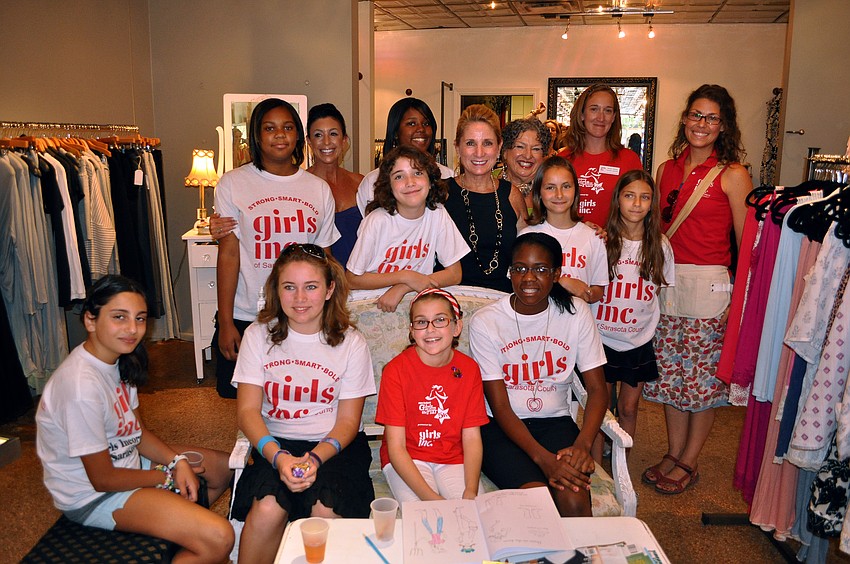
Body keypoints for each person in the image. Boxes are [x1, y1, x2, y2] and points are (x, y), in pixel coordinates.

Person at [36, 275, 234, 562]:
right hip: (92, 495)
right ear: (90, 320)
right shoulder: (80, 387)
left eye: (140, 319)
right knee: (220, 537)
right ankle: (197, 540)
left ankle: (182, 537)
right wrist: (166, 478)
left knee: (224, 467)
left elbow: (137, 432)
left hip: (126, 461)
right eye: (119, 317)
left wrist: (176, 462)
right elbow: (103, 479)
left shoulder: (118, 359)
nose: (132, 329)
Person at [231, 244, 376, 563]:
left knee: (325, 510)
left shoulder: (351, 342)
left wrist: (314, 458)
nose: (299, 298)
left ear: (329, 289)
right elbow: (247, 412)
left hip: (335, 446)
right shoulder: (258, 336)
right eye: (289, 287)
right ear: (276, 290)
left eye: (311, 286)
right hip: (275, 443)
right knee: (267, 507)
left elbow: (349, 422)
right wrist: (279, 457)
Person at [641, 84, 751, 495]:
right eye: (695, 115)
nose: (701, 125)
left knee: (702, 380)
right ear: (684, 118)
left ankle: (690, 459)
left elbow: (746, 244)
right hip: (668, 284)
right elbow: (656, 231)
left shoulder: (734, 174)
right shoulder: (666, 169)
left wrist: (739, 300)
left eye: (711, 118)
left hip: (709, 287)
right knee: (671, 376)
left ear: (723, 126)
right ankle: (673, 451)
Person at [469, 232, 608, 517]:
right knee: (537, 505)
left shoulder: (576, 312)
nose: (528, 278)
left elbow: (597, 389)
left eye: (541, 269)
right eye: (519, 268)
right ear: (510, 273)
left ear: (556, 274)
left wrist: (582, 445)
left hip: (556, 424)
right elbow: (500, 406)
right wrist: (544, 460)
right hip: (501, 429)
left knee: (573, 499)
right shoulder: (486, 322)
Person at [212, 98, 339, 398]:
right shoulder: (232, 184)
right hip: (250, 313)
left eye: (287, 127)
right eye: (270, 128)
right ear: (257, 135)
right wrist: (227, 320)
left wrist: (333, 313)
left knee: (298, 391)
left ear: (298, 135)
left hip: (304, 311)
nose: (279, 135)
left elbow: (325, 258)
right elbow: (229, 255)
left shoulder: (318, 189)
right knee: (248, 396)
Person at [590, 169, 674, 463]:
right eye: (629, 196)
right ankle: (596, 466)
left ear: (652, 203)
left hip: (637, 342)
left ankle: (621, 464)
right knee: (598, 408)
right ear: (617, 200)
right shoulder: (600, 240)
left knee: (628, 408)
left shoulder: (660, 246)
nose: (636, 204)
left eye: (644, 197)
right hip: (600, 339)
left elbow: (661, 295)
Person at [375, 288, 488, 502]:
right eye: (421, 322)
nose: (430, 329)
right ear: (411, 330)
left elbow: (472, 437)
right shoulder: (396, 370)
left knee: (472, 514)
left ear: (457, 327)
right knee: (424, 514)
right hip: (408, 458)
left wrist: (470, 490)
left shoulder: (469, 369)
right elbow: (396, 447)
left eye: (440, 320)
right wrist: (431, 498)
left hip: (453, 458)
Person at [346, 145, 469, 312]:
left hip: (414, 300)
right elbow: (352, 279)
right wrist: (405, 276)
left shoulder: (437, 213)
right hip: (371, 303)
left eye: (417, 173)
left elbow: (455, 274)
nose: (410, 182)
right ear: (389, 186)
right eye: (399, 176)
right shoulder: (377, 221)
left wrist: (404, 286)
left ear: (431, 181)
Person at [442, 104, 526, 293]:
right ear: (457, 147)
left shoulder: (512, 195)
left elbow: (528, 250)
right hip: (449, 304)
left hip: (501, 304)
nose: (479, 152)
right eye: (470, 143)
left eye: (487, 143)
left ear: (499, 147)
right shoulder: (441, 193)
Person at [520, 156, 608, 305]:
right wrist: (561, 282)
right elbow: (519, 282)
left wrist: (586, 292)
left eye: (566, 186)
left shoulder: (592, 237)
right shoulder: (527, 236)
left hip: (577, 322)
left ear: (576, 190)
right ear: (539, 192)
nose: (559, 194)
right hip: (537, 321)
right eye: (550, 187)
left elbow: (598, 289)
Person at [558, 84, 643, 227]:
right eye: (594, 109)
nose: (601, 117)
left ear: (614, 117)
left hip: (614, 245)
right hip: (570, 245)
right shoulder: (563, 160)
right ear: (582, 114)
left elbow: (640, 210)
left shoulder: (629, 160)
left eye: (608, 111)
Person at [356, 97, 454, 215]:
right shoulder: (372, 181)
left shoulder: (448, 176)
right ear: (396, 132)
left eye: (426, 123)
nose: (421, 129)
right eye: (411, 123)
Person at [305, 103, 363, 268]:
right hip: (318, 283)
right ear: (309, 141)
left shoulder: (360, 183)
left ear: (344, 140)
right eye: (318, 135)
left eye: (333, 134)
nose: (326, 142)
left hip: (362, 284)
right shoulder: (298, 186)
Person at [500, 117, 551, 216]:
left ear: (544, 156)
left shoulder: (551, 189)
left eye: (536, 149)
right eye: (520, 147)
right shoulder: (487, 182)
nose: (528, 155)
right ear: (505, 152)